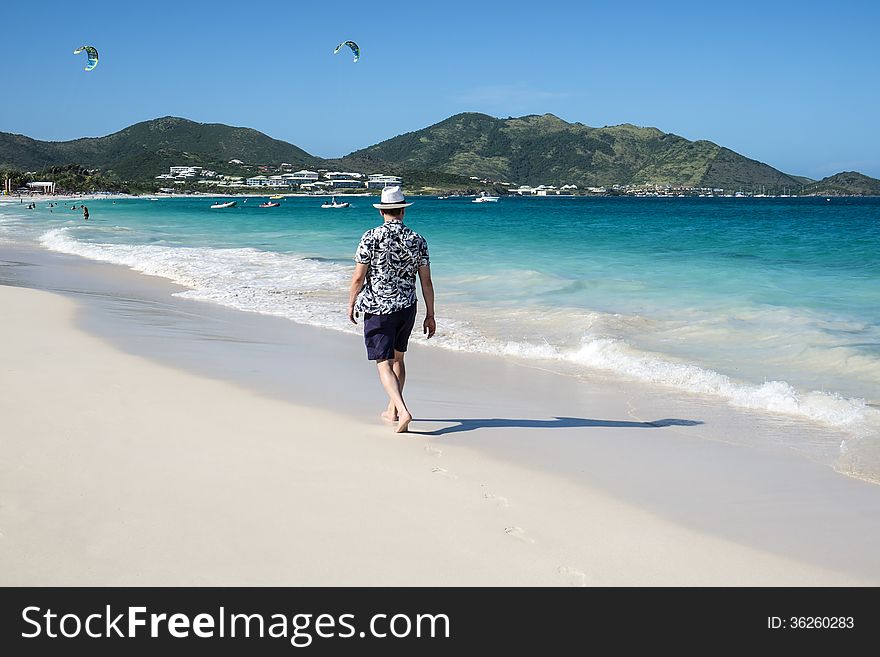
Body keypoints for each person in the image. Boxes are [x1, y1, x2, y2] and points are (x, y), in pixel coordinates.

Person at [348, 186, 435, 433]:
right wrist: (430, 314)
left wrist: (351, 303)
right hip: (407, 307)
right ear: (403, 212)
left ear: (382, 212)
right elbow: (426, 281)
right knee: (399, 357)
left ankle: (402, 409)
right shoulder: (418, 240)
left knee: (382, 361)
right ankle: (392, 410)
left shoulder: (370, 237)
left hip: (378, 307)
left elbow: (358, 277)